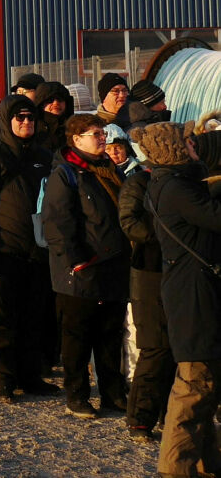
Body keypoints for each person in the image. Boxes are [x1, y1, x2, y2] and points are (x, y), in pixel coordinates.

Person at [137, 122, 221, 477]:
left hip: (194, 292)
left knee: (204, 387)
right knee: (193, 388)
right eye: (187, 140)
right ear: (172, 147)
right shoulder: (175, 188)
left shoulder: (171, 182)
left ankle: (204, 466)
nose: (193, 144)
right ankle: (176, 470)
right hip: (193, 297)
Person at [0, 95, 58, 403]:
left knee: (34, 317)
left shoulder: (44, 156)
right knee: (2, 319)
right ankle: (2, 378)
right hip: (3, 249)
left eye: (30, 118)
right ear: (7, 120)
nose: (26, 123)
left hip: (38, 248)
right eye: (20, 118)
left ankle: (29, 374)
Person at [41, 114, 130, 419]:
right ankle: (77, 394)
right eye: (95, 134)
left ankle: (112, 393)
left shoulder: (112, 171)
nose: (102, 138)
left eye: (103, 133)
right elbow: (57, 224)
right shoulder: (66, 174)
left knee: (110, 335)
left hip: (114, 265)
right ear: (76, 139)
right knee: (77, 337)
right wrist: (76, 262)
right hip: (81, 270)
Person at [118, 135, 174, 443]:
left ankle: (169, 412)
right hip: (149, 270)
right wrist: (170, 233)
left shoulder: (184, 181)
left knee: (178, 348)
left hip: (175, 270)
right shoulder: (138, 182)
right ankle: (139, 417)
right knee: (154, 347)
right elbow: (130, 224)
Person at [35, 81, 74, 152]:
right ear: (41, 103)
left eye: (60, 99)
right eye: (50, 100)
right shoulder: (32, 126)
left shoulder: (74, 126)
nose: (56, 103)